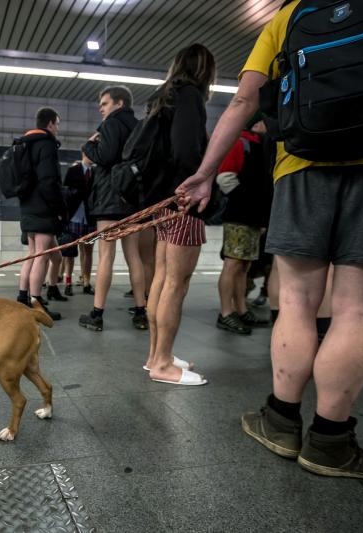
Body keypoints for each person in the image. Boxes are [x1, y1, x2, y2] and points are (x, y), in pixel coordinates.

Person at [178, 1, 363, 479]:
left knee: (297, 302)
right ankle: (329, 442)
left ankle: (279, 422)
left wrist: (203, 173)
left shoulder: (291, 14)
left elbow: (245, 100)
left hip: (302, 171)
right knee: (358, 312)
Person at [142, 44, 216, 386]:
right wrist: (201, 180)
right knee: (176, 282)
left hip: (163, 204)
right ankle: (162, 364)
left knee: (161, 277)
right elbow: (187, 150)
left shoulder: (164, 97)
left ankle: (156, 355)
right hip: (184, 201)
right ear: (205, 71)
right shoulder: (189, 96)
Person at [79, 85, 147, 331]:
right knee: (134, 257)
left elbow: (105, 157)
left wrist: (88, 146)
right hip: (133, 200)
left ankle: (97, 315)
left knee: (106, 256)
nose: (101, 108)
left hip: (110, 200)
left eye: (105, 103)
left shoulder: (110, 125)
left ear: (119, 104)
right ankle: (141, 312)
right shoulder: (140, 127)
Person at [215, 118, 273, 335]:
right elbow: (225, 178)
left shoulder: (263, 146)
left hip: (255, 218)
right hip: (240, 216)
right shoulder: (241, 143)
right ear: (257, 123)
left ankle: (240, 308)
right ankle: (226, 312)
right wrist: (246, 203)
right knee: (233, 264)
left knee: (244, 266)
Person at [16, 107, 67, 320]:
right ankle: (37, 302)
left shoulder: (25, 143)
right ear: (50, 124)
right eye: (57, 124)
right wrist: (59, 209)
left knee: (33, 254)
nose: (58, 128)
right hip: (42, 208)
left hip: (27, 207)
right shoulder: (45, 145)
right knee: (41, 256)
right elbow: (49, 181)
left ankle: (23, 296)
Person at [61, 155, 96, 296]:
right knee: (69, 254)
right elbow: (65, 191)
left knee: (88, 252)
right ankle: (67, 283)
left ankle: (86, 282)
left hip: (90, 219)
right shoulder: (73, 170)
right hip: (73, 219)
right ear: (84, 153)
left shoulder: (96, 172)